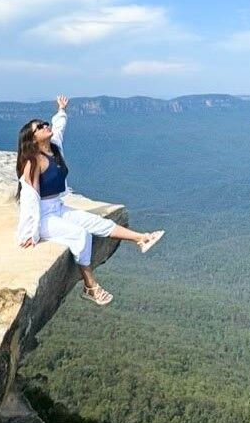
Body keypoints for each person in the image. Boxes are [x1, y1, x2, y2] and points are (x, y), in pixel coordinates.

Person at [15, 94, 164, 306]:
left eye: (44, 123)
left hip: (58, 206)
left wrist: (61, 110)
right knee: (80, 234)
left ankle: (142, 238)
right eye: (39, 127)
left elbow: (59, 128)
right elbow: (30, 198)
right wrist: (30, 232)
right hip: (44, 215)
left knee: (97, 223)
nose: (45, 126)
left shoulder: (53, 147)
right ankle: (90, 287)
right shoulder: (32, 162)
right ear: (32, 139)